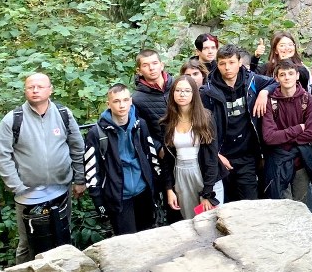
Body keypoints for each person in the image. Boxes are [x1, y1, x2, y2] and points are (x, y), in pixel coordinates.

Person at [0, 73, 86, 263]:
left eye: (40, 86)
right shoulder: (13, 119)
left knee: (62, 235)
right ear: (25, 90)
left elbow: (77, 147)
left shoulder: (63, 114)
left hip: (61, 190)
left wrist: (80, 179)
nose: (35, 90)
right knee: (27, 242)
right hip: (28, 194)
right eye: (31, 87)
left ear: (50, 90)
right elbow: (3, 157)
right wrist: (18, 188)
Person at [84, 84, 161, 236]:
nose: (122, 105)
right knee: (126, 241)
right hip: (118, 196)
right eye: (116, 101)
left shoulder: (140, 126)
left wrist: (156, 188)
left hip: (143, 192)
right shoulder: (97, 133)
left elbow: (152, 158)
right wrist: (98, 201)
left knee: (147, 237)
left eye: (125, 100)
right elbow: (91, 170)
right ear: (108, 104)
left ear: (131, 101)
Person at [206, 44, 275, 201]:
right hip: (222, 156)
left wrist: (264, 93)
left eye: (231, 62)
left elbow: (274, 82)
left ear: (239, 62)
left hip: (247, 155)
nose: (227, 68)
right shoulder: (208, 90)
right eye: (222, 63)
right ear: (217, 64)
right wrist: (215, 154)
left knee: (250, 203)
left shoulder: (251, 80)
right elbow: (202, 127)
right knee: (226, 205)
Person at [159, 74, 221, 219]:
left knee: (210, 220)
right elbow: (167, 160)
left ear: (194, 94)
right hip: (181, 175)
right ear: (172, 93)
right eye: (178, 90)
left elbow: (212, 157)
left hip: (204, 175)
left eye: (187, 91)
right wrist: (169, 188)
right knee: (190, 220)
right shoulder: (166, 122)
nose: (182, 94)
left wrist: (207, 193)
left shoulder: (206, 118)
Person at [261, 59, 312, 204]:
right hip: (278, 161)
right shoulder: (270, 102)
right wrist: (298, 129)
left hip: (301, 160)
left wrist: (281, 137)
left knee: (302, 206)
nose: (287, 77)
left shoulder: (307, 100)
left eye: (291, 73)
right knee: (283, 207)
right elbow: (269, 137)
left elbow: (310, 134)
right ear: (276, 78)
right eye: (282, 74)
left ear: (297, 76)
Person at [132, 50, 171, 141]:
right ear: (139, 71)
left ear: (162, 65)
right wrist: (158, 147)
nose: (151, 68)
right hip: (161, 146)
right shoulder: (136, 99)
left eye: (155, 63)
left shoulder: (178, 87)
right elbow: (140, 131)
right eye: (145, 65)